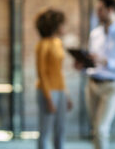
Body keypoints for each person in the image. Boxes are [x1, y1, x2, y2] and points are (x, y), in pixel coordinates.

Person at [76, 0, 115, 149]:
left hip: (112, 87)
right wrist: (83, 65)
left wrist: (106, 62)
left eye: (100, 9)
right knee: (96, 128)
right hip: (92, 84)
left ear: (111, 10)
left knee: (101, 129)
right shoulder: (95, 34)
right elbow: (93, 62)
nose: (97, 13)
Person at [35, 9, 72, 149]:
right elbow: (42, 73)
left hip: (60, 91)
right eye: (62, 24)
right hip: (47, 91)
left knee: (60, 129)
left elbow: (59, 72)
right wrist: (49, 98)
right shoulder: (42, 45)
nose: (64, 27)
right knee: (45, 131)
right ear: (55, 26)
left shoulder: (58, 43)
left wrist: (66, 95)